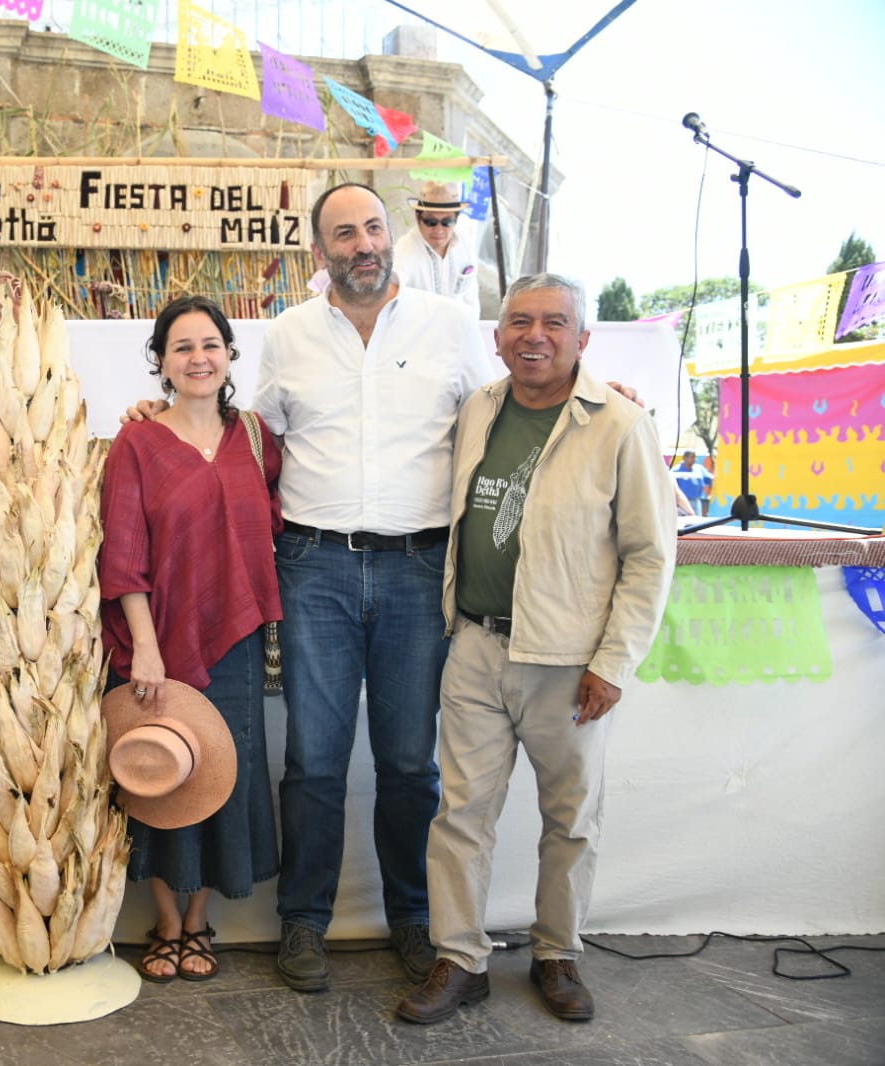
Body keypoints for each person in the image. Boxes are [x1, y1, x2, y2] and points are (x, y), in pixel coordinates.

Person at [397, 274, 675, 1025]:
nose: (534, 336)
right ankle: (460, 959)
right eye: (519, 321)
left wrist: (612, 664)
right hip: (475, 647)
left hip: (568, 663)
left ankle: (558, 954)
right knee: (460, 815)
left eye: (554, 323)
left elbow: (650, 556)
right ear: (497, 338)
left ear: (582, 339)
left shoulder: (619, 425)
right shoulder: (479, 409)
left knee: (570, 818)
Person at [257, 181, 498, 992]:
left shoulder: (449, 324)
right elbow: (255, 439)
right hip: (314, 566)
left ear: (390, 236)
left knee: (406, 761)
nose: (362, 245)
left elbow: (502, 412)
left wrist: (603, 395)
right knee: (313, 759)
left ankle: (413, 918)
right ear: (317, 249)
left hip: (417, 568)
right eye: (343, 234)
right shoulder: (287, 334)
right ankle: (302, 921)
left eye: (371, 228)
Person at [98, 295, 282, 983]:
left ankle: (199, 920)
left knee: (220, 776)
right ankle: (166, 922)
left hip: (235, 641)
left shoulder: (257, 438)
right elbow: (123, 554)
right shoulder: (138, 442)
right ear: (161, 361)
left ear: (229, 354)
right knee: (154, 774)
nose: (198, 358)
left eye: (210, 345)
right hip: (155, 643)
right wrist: (145, 646)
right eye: (182, 347)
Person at [392, 180, 481, 316]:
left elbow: (471, 298)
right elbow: (394, 291)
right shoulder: (404, 250)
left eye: (447, 222)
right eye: (431, 222)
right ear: (418, 217)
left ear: (456, 219)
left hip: (459, 325)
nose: (439, 229)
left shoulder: (465, 244)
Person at [672, 450, 713, 516]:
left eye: (695, 457)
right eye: (692, 457)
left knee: (697, 521)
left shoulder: (699, 469)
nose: (694, 460)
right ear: (685, 458)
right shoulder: (676, 470)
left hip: (696, 502)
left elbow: (711, 480)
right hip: (681, 503)